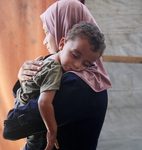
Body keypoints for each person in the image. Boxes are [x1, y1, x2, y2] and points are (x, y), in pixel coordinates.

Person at [13, 0, 112, 149]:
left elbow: (14, 124)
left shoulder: (75, 82)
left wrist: (24, 83)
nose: (45, 41)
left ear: (64, 36)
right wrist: (23, 78)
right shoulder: (89, 76)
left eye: (48, 31)